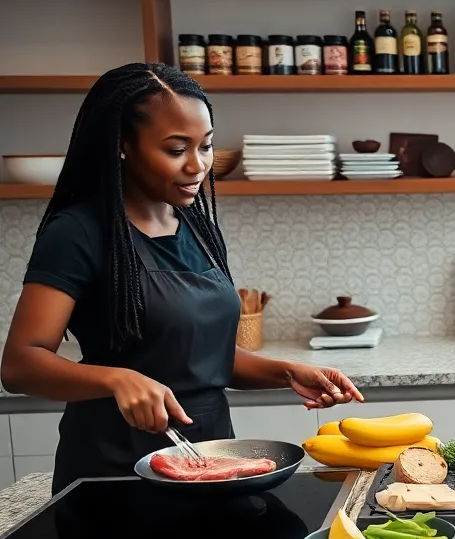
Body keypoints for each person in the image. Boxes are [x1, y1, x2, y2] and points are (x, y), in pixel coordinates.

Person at [0, 63, 364, 493]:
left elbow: (199, 357)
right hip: (113, 468)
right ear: (123, 146)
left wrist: (285, 372)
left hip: (210, 454)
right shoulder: (79, 232)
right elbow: (20, 364)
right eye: (176, 150)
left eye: (205, 146)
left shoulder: (195, 225)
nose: (198, 166)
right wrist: (117, 378)